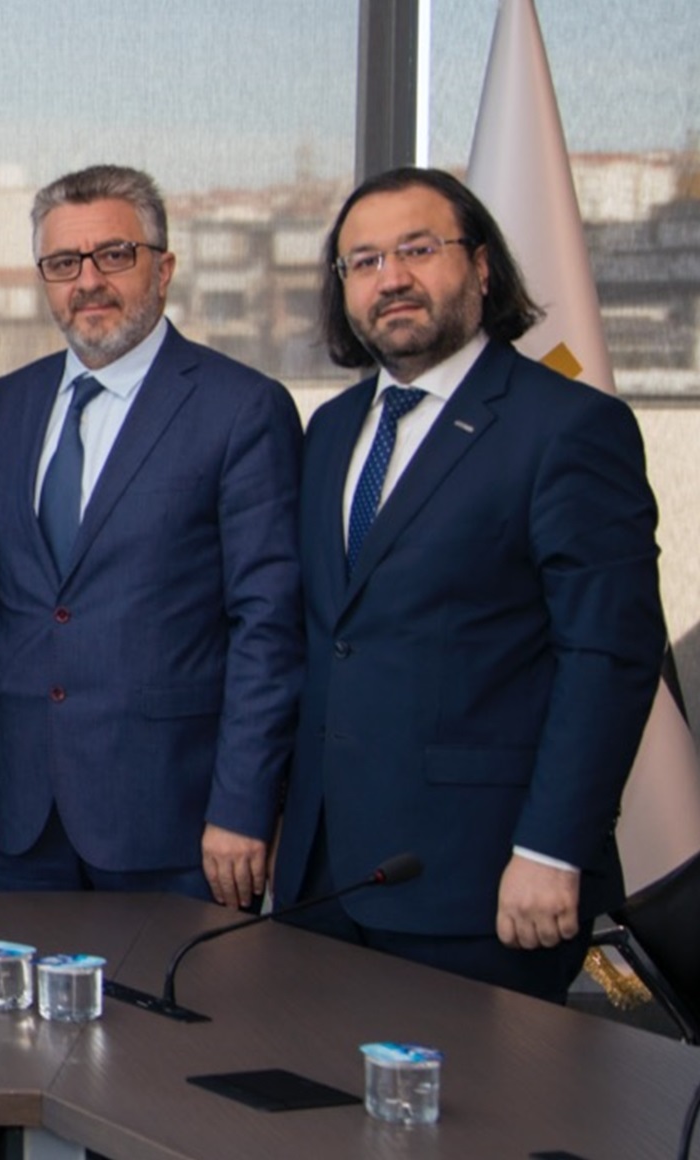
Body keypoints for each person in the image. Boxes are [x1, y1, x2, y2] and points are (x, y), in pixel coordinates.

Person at [275, 167, 662, 1000]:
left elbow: (609, 656)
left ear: (482, 268)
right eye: (364, 261)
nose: (392, 278)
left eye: (418, 250)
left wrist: (552, 848)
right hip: (325, 880)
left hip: (484, 881)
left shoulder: (568, 428)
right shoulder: (331, 430)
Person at [0, 165, 301, 908]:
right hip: (21, 810)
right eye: (63, 263)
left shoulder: (241, 408)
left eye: (114, 255)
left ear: (163, 269)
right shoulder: (7, 405)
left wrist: (243, 803)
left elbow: (267, 625)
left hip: (172, 811)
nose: (89, 281)